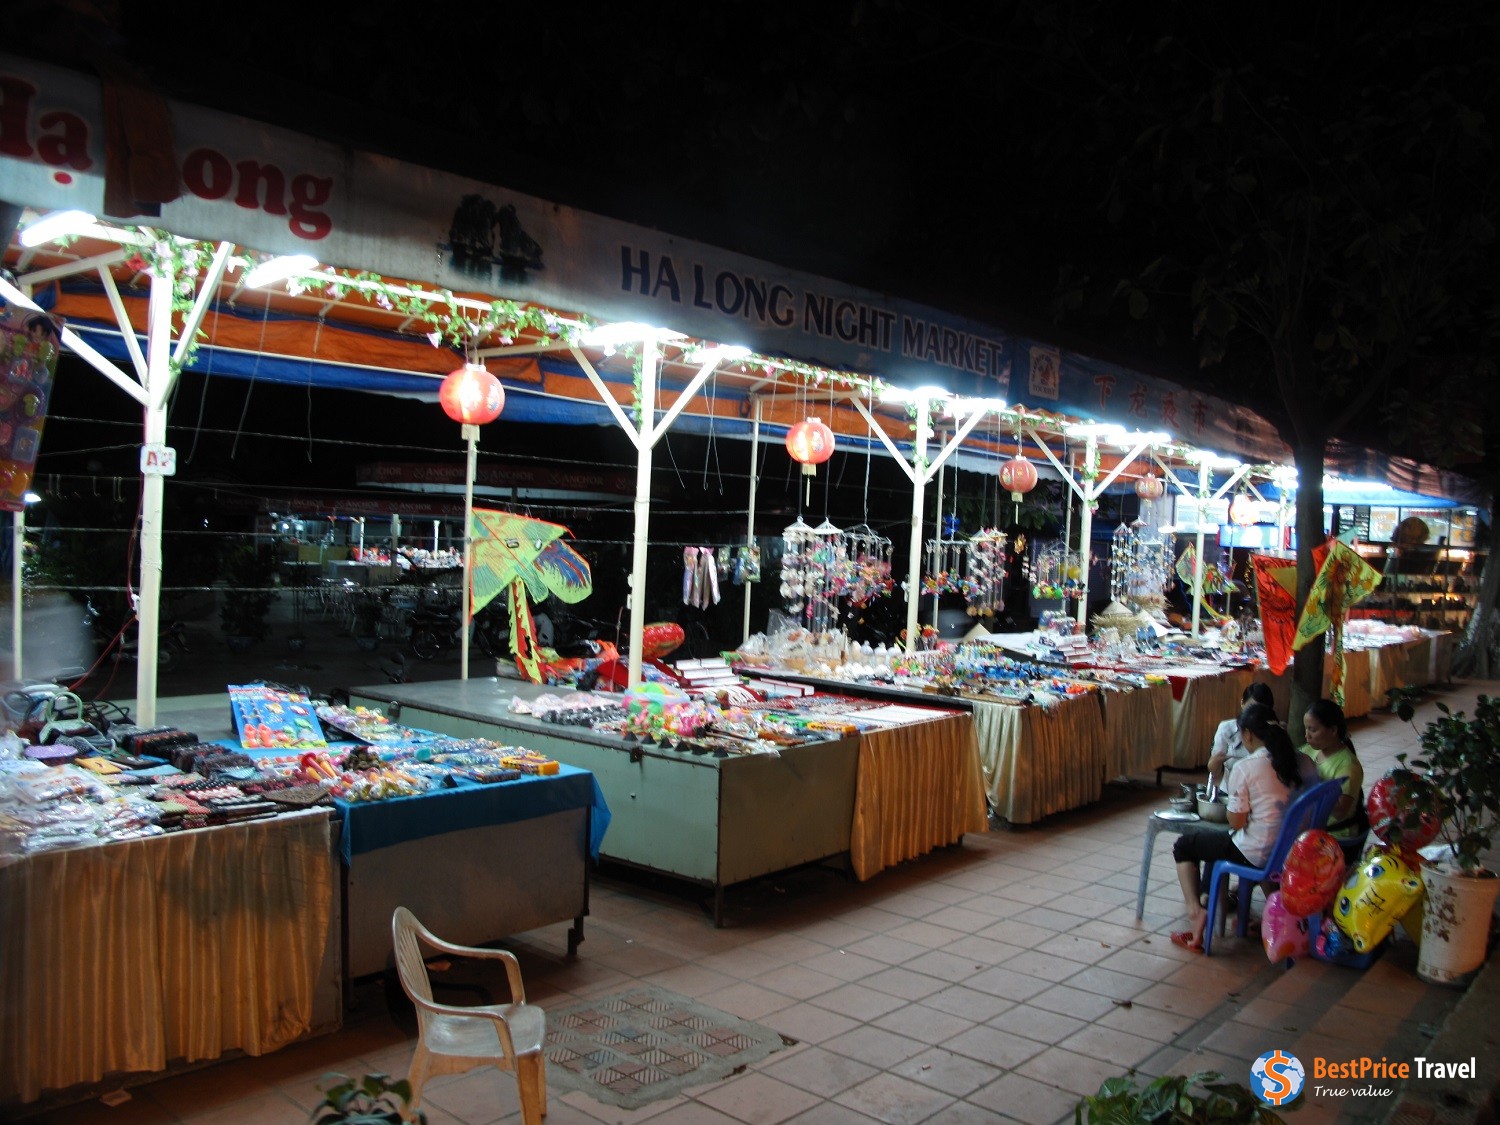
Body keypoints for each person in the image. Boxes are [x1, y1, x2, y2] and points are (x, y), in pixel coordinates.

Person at [1172, 702, 1308, 952]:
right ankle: (1209, 900)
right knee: (1215, 846)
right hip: (1287, 849)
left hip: (1255, 852)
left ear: (1247, 734)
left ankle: (1195, 912)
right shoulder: (1299, 761)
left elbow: (1236, 822)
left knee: (1185, 845)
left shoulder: (1246, 768)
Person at [1302, 699, 1366, 839]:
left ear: (1333, 730)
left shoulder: (1348, 766)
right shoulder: (1308, 751)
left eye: (1313, 730)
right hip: (1310, 830)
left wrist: (1313, 784)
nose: (1307, 735)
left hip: (1335, 836)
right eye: (1306, 729)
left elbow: (1340, 812)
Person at [1206, 681, 1276, 791]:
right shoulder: (1227, 729)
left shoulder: (1275, 732)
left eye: (1260, 710)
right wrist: (1214, 764)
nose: (1254, 716)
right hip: (1230, 791)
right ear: (1242, 703)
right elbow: (1214, 769)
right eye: (1251, 708)